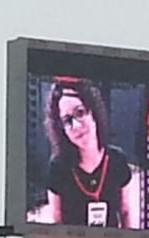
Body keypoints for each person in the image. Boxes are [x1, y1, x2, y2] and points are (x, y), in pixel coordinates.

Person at [37, 78, 140, 228]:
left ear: (94, 112)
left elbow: (125, 212)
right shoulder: (58, 168)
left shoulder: (117, 160)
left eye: (80, 112)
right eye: (67, 121)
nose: (76, 126)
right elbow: (56, 221)